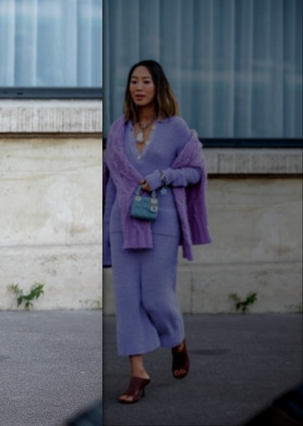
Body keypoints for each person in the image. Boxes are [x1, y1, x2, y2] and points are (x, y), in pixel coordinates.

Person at [103, 59, 211, 404]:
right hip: (123, 223)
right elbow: (111, 187)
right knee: (128, 300)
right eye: (133, 81)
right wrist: (107, 234)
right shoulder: (118, 128)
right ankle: (138, 373)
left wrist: (165, 176)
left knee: (156, 296)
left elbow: (195, 170)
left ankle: (176, 340)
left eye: (145, 81)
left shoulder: (176, 128)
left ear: (158, 86)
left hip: (162, 221)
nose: (138, 87)